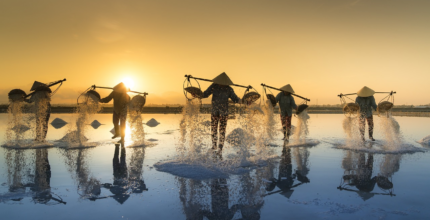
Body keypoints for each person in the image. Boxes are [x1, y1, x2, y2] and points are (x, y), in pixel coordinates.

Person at [202, 72, 242, 152]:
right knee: (213, 129)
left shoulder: (229, 89)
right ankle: (214, 146)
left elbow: (235, 99)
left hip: (224, 113)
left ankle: (220, 148)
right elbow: (205, 94)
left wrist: (242, 100)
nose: (222, 85)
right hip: (214, 112)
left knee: (222, 130)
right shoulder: (214, 86)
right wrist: (197, 94)